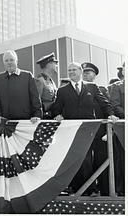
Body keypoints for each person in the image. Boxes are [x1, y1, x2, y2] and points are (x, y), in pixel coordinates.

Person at [52, 62, 118, 195]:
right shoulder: (63, 90)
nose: (71, 72)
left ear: (80, 71)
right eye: (69, 70)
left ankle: (90, 188)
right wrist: (57, 115)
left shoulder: (92, 87)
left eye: (73, 70)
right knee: (77, 158)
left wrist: (111, 114)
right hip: (72, 129)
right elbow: (56, 109)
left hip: (89, 128)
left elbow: (104, 103)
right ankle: (79, 188)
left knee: (88, 158)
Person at [0, 50, 42, 124]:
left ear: (16, 61)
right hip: (4, 123)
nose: (9, 63)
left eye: (11, 60)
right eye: (6, 60)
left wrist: (37, 115)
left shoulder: (27, 76)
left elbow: (35, 98)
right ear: (3, 63)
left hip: (25, 121)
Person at [82, 62, 109, 196]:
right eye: (84, 72)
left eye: (88, 72)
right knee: (85, 161)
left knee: (101, 160)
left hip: (100, 133)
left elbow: (107, 108)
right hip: (85, 132)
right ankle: (89, 189)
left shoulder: (102, 89)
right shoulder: (78, 90)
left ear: (95, 75)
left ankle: (105, 189)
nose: (85, 74)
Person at [109, 62, 125, 196]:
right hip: (122, 128)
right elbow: (114, 105)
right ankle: (122, 189)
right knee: (122, 158)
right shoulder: (117, 87)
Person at [35, 52, 58, 119]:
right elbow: (36, 101)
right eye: (55, 63)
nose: (56, 65)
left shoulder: (51, 81)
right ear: (49, 65)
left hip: (51, 116)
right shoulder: (40, 80)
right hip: (43, 117)